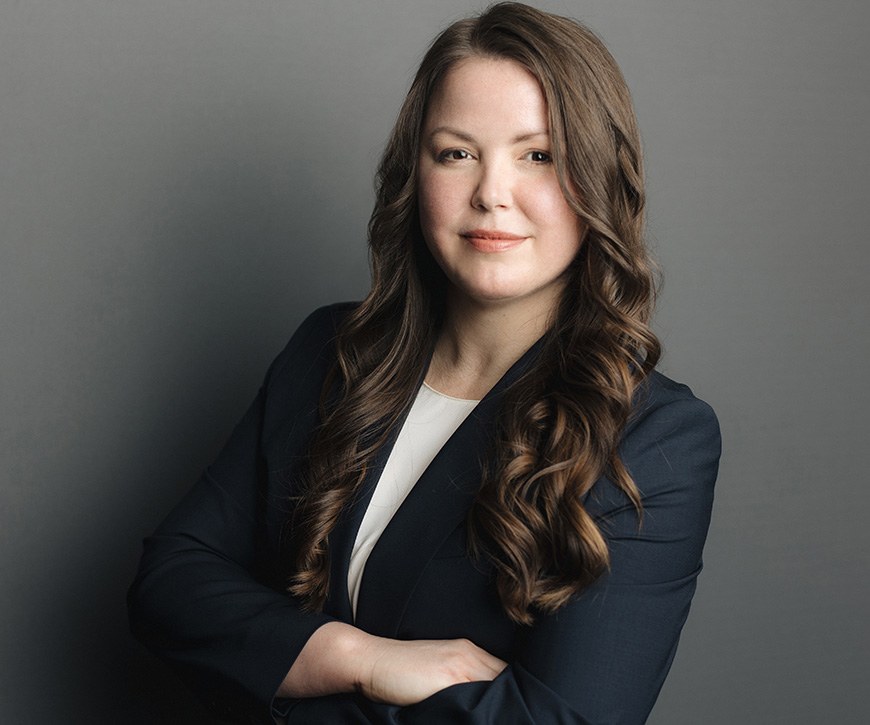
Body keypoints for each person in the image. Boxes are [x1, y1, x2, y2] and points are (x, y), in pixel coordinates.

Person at [128, 3, 721, 723]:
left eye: (539, 155)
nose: (491, 194)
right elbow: (170, 582)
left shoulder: (654, 439)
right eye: (456, 153)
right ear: (416, 171)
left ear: (598, 179)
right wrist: (360, 659)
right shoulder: (328, 352)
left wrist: (281, 669)